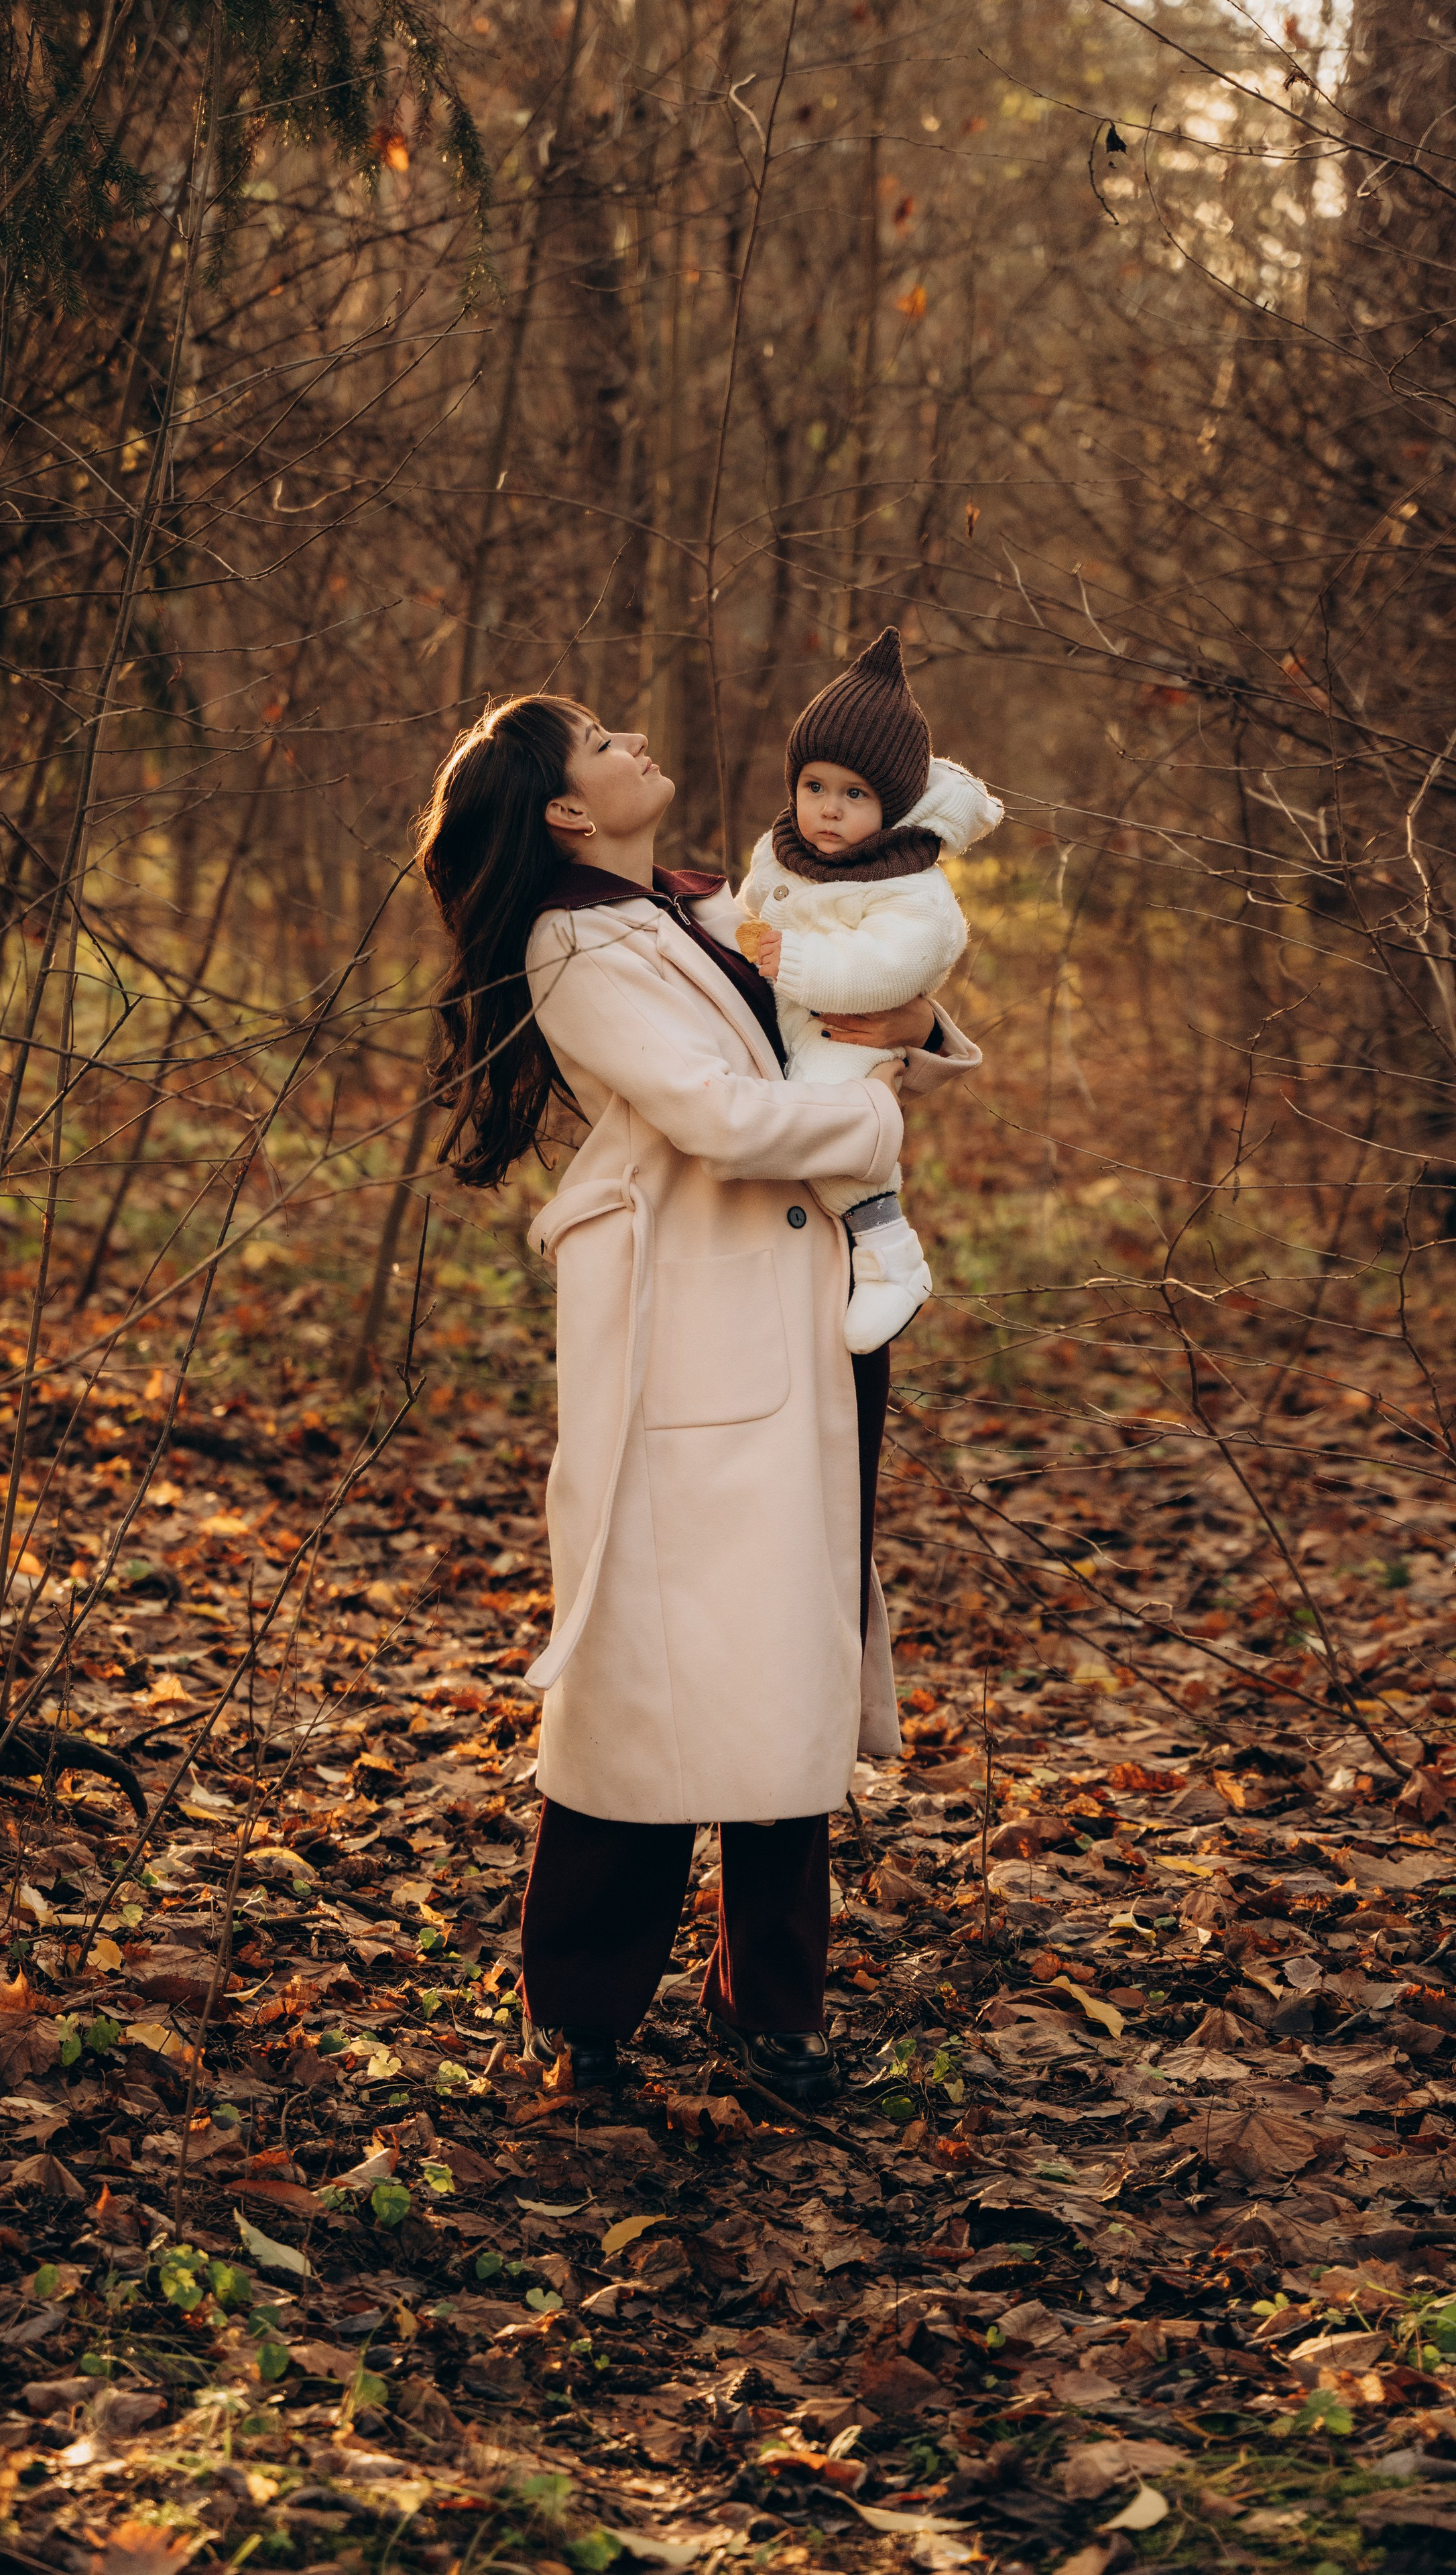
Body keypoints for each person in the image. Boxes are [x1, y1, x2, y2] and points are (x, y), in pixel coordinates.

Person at [418, 689, 982, 2106]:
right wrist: (874, 1115)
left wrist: (906, 1018)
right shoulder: (575, 942)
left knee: (789, 1655)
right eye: (602, 744)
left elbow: (838, 991)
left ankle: (772, 2008)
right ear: (561, 808)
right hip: (691, 1322)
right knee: (653, 1664)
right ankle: (582, 2008)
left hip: (801, 1312)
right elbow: (719, 1118)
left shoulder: (694, 903)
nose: (633, 747)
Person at [734, 627, 1004, 1354]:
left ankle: (891, 1255)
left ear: (893, 804)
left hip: (848, 1032)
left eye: (854, 795)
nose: (827, 809)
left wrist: (789, 962)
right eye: (813, 788)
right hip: (781, 1021)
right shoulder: (781, 849)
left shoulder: (908, 881)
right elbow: (750, 908)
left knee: (834, 1124)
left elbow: (895, 965)